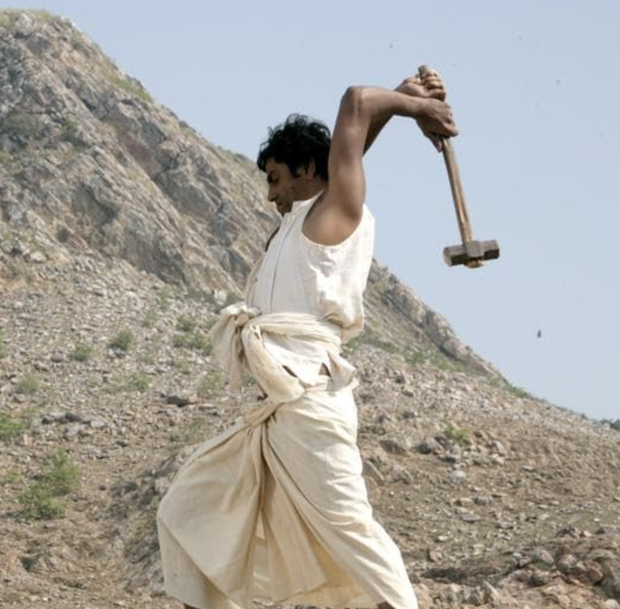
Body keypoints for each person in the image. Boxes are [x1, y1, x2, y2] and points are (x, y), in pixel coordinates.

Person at [155, 69, 457, 609]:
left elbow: (355, 102)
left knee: (350, 531)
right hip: (273, 414)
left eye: (276, 179)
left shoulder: (335, 216)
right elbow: (350, 145)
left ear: (307, 171)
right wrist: (404, 97)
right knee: (186, 512)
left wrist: (415, 109)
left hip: (312, 403)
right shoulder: (297, 225)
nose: (270, 195)